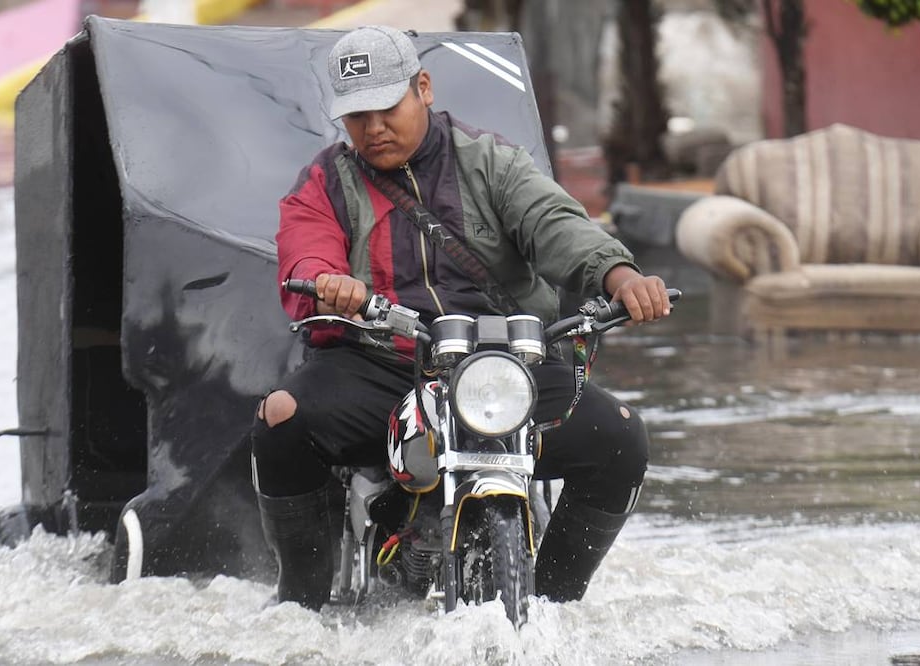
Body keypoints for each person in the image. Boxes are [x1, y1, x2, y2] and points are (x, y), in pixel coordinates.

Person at [251, 25, 672, 610]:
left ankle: (555, 608)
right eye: (357, 116)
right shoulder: (325, 182)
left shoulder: (491, 160)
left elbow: (555, 223)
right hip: (381, 364)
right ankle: (301, 609)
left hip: (504, 366)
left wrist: (621, 277)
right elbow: (305, 248)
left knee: (621, 437)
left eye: (387, 108)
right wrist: (327, 280)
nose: (374, 128)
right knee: (280, 420)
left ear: (423, 88)